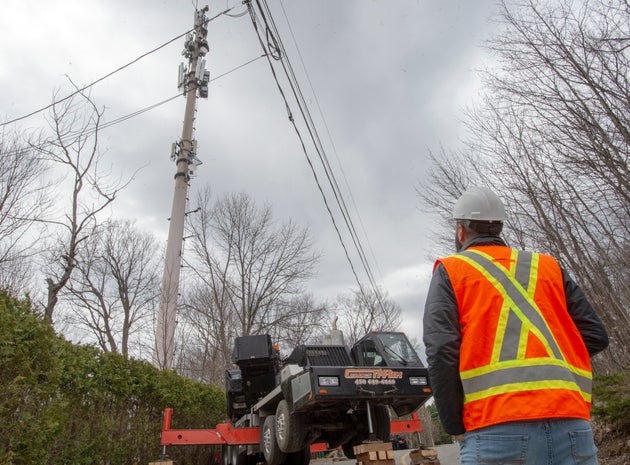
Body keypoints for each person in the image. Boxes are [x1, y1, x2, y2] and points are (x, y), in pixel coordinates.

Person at [422, 186, 609, 465]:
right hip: (571, 425)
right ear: (499, 227)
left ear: (461, 231)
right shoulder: (547, 266)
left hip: (494, 427)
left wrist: (454, 426)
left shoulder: (453, 270)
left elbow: (441, 350)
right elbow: (595, 335)